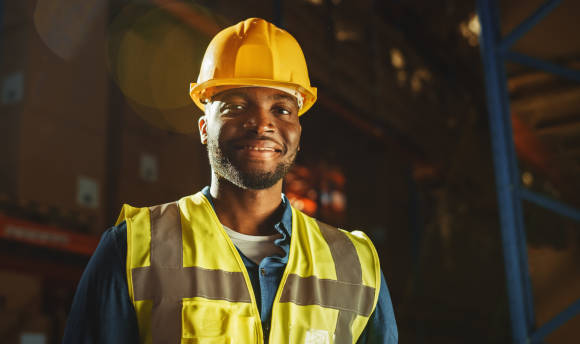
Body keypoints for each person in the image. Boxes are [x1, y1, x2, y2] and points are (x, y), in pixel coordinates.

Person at [63, 18, 397, 343]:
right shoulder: (133, 249)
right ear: (204, 129)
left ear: (297, 131)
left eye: (281, 109)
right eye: (236, 106)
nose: (261, 123)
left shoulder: (358, 266)